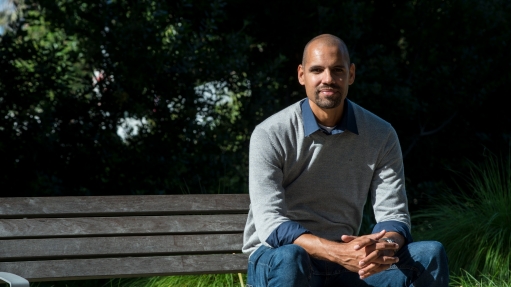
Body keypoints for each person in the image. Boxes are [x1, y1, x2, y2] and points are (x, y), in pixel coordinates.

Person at [242, 34, 449, 287]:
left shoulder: (381, 134)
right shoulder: (271, 133)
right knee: (290, 257)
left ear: (350, 74)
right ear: (301, 75)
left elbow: (394, 215)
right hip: (278, 258)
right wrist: (336, 251)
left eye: (337, 70)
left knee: (430, 255)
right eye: (317, 70)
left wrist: (380, 247)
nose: (327, 79)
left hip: (348, 264)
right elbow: (271, 224)